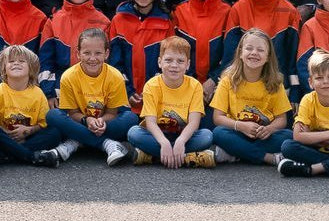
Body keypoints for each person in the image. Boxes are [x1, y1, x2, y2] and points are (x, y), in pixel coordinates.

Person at [46, 26, 140, 165]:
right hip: (81, 121)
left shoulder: (115, 76)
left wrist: (100, 121)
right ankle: (108, 144)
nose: (92, 58)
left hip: (105, 123)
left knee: (131, 118)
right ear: (78, 53)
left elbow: (112, 112)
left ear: (106, 53)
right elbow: (72, 113)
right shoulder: (68, 77)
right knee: (52, 115)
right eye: (87, 53)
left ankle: (76, 142)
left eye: (98, 53)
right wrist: (87, 120)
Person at [127, 35, 216, 168]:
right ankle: (188, 158)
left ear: (188, 65)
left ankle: (152, 157)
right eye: (168, 60)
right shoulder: (151, 85)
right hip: (157, 136)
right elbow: (150, 123)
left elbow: (194, 123)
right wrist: (163, 142)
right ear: (159, 62)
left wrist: (180, 141)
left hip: (184, 136)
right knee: (134, 133)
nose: (174, 65)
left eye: (180, 61)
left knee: (206, 136)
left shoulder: (195, 86)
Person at [208, 27, 292, 165]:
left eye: (260, 50)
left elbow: (281, 119)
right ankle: (267, 157)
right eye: (249, 48)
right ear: (240, 53)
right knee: (218, 133)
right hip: (237, 131)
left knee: (288, 136)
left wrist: (269, 129)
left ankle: (237, 153)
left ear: (268, 57)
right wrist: (240, 126)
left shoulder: (275, 83)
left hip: (263, 135)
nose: (254, 53)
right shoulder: (228, 80)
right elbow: (218, 118)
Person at [0, 43, 68, 166]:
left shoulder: (38, 94)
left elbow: (43, 123)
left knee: (55, 132)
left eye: (21, 61)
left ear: (31, 68)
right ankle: (31, 156)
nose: (16, 63)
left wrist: (29, 131)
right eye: (11, 61)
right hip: (4, 138)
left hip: (28, 137)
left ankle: (5, 155)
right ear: (4, 68)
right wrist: (6, 132)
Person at [108, 0, 176, 90]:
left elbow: (170, 62)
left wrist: (154, 90)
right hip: (124, 96)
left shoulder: (167, 21)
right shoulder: (119, 19)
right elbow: (114, 63)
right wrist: (127, 91)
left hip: (158, 94)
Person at [173, 0, 231, 92]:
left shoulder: (228, 12)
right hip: (183, 85)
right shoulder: (178, 12)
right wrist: (190, 82)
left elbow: (232, 54)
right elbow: (173, 52)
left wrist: (213, 80)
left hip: (219, 87)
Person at [44, 0, 110, 74]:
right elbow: (46, 62)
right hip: (60, 89)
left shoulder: (104, 22)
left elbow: (107, 63)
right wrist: (51, 90)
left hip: (93, 88)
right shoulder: (53, 21)